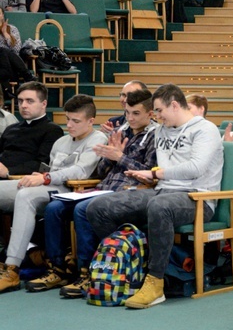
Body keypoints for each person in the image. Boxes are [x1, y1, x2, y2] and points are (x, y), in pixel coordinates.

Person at [85, 84, 224, 308]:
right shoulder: (161, 129)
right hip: (161, 191)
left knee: (159, 206)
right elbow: (160, 172)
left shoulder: (205, 129)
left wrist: (155, 173)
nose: (156, 116)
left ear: (175, 105)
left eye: (159, 111)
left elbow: (196, 168)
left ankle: (155, 282)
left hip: (197, 198)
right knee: (98, 207)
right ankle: (133, 263)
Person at [37, 89, 157, 297]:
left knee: (83, 209)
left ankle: (87, 271)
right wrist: (109, 157)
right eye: (127, 112)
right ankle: (58, 269)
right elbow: (102, 172)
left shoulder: (155, 136)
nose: (129, 118)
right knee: (54, 207)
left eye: (136, 113)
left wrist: (120, 157)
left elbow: (150, 175)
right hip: (104, 188)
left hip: (130, 193)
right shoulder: (122, 131)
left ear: (150, 113)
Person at [0, 94, 107, 294]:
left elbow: (80, 172)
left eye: (76, 121)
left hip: (72, 190)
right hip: (47, 186)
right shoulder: (61, 142)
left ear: (91, 121)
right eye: (67, 119)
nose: (70, 125)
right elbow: (49, 168)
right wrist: (41, 175)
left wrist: (46, 177)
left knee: (25, 196)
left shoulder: (98, 139)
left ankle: (12, 269)